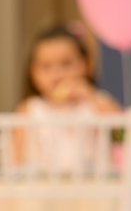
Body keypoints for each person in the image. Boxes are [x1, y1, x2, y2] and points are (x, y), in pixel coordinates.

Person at [12, 25, 122, 168]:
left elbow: (122, 130)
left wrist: (89, 95)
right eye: (46, 67)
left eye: (66, 64)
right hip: (43, 180)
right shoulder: (30, 109)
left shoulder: (95, 102)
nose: (57, 74)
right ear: (32, 73)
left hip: (93, 180)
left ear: (86, 65)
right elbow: (15, 155)